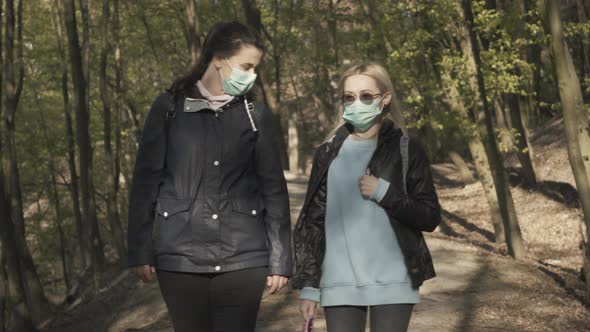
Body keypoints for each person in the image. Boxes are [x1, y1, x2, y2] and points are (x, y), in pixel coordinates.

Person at [127, 21, 292, 332]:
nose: (252, 76)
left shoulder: (255, 114)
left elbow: (273, 188)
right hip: (179, 258)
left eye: (256, 68)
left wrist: (281, 258)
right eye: (246, 66)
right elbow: (145, 182)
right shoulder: (168, 108)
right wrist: (138, 249)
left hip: (244, 257)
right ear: (219, 59)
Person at [292, 63, 442, 332]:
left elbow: (429, 217)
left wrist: (385, 193)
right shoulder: (327, 153)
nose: (356, 103)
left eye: (366, 96)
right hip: (339, 282)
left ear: (385, 99)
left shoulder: (407, 149)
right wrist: (310, 287)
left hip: (394, 282)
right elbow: (314, 222)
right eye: (349, 97)